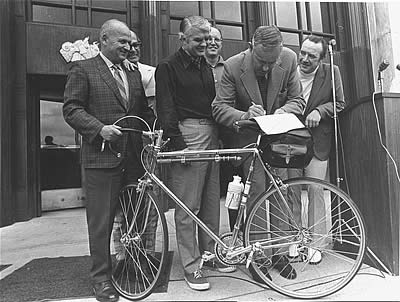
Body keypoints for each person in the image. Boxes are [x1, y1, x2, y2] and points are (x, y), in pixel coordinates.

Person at [63, 19, 155, 302]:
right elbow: (71, 109)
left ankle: (132, 264)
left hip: (133, 160)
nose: (129, 47)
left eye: (130, 43)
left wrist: (154, 129)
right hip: (101, 159)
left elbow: (141, 112)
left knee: (135, 218)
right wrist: (99, 129)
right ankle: (101, 279)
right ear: (104, 40)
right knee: (101, 224)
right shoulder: (84, 69)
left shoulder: (133, 74)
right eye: (122, 42)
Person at [212, 25, 305, 281]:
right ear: (252, 47)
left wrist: (284, 111)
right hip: (249, 139)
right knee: (255, 196)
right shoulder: (232, 66)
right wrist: (244, 115)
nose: (266, 67)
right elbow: (219, 107)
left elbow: (298, 100)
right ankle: (258, 256)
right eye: (262, 61)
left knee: (280, 194)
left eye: (272, 62)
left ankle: (280, 255)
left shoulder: (289, 58)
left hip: (279, 138)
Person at [156, 15, 234, 292]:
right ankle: (192, 266)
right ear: (182, 39)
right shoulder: (167, 67)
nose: (205, 43)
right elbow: (165, 108)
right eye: (198, 39)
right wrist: (179, 147)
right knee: (188, 206)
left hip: (212, 135)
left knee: (211, 202)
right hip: (188, 136)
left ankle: (210, 255)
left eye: (208, 39)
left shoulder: (204, 65)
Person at [286, 35, 346, 263]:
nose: (305, 59)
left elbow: (340, 103)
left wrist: (320, 111)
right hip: (290, 139)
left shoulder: (332, 71)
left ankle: (316, 243)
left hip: (318, 141)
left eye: (312, 56)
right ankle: (293, 238)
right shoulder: (289, 69)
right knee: (290, 190)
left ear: (321, 59)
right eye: (303, 52)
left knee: (315, 190)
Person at [124, 31, 157, 115]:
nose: (133, 50)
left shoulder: (153, 71)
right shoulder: (116, 72)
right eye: (129, 46)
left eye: (136, 45)